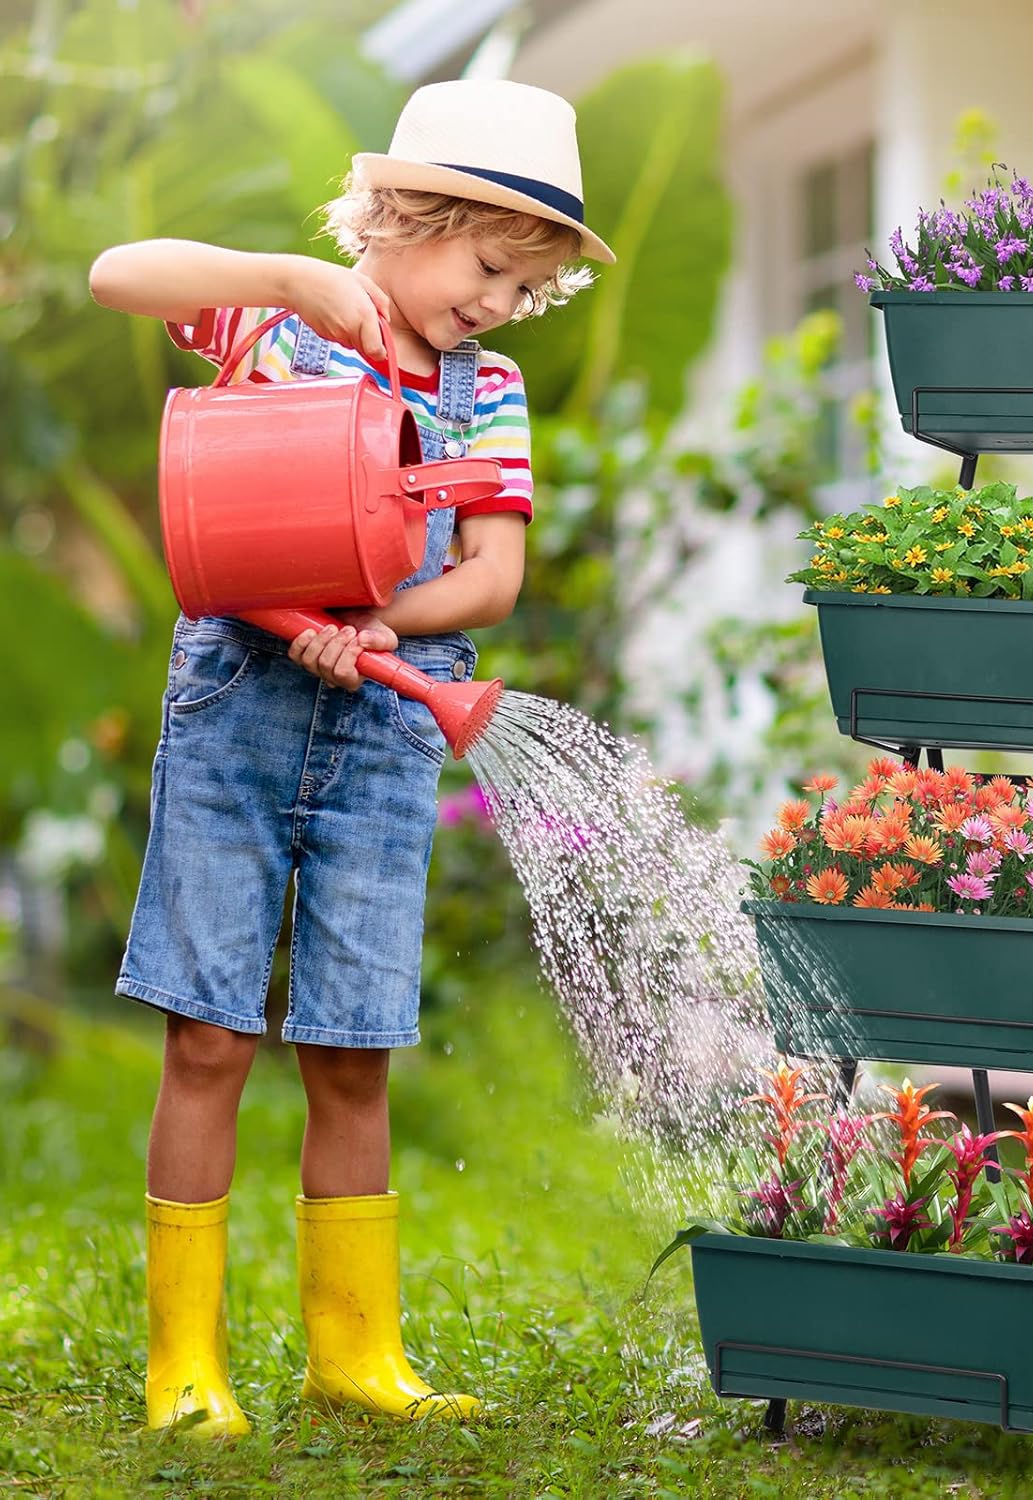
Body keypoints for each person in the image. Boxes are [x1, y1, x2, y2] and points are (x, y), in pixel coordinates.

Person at [88, 78, 615, 1438]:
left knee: (352, 1047)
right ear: (402, 218)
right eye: (492, 267)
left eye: (524, 286)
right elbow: (113, 274)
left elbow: (492, 575)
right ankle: (183, 1368)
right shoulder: (271, 314)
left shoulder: (485, 391)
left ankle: (354, 1353)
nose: (501, 305)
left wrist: (383, 620)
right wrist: (280, 278)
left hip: (386, 721)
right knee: (207, 1035)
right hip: (237, 714)